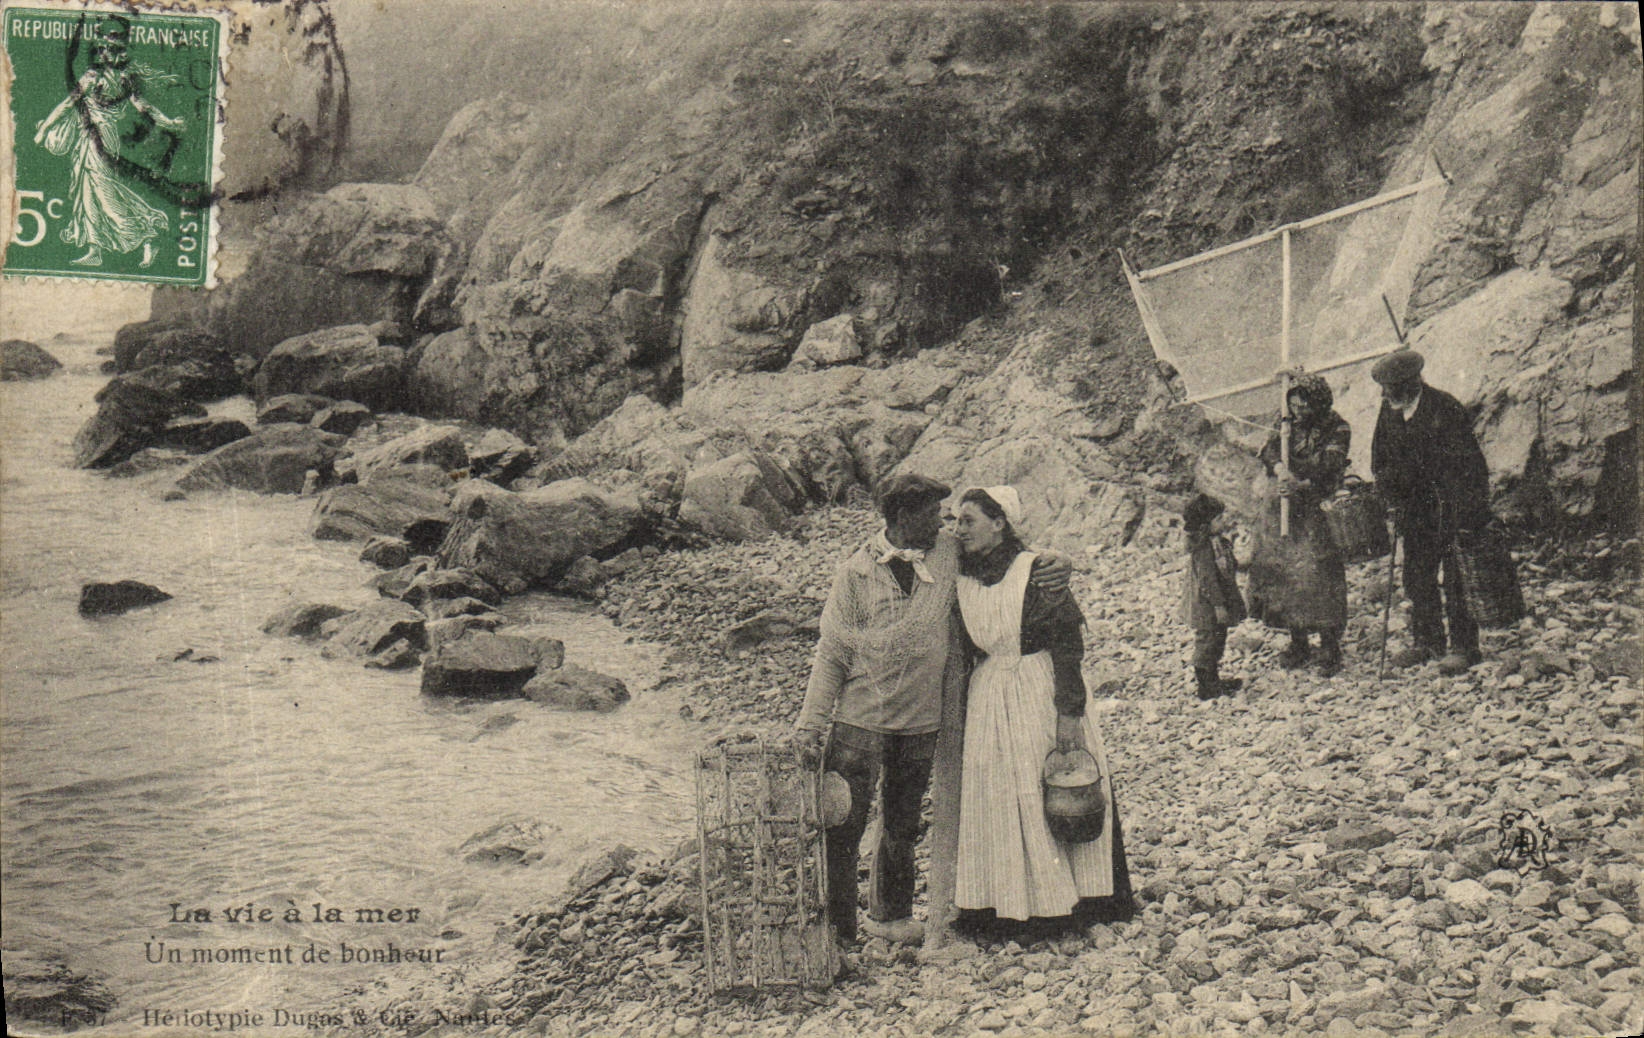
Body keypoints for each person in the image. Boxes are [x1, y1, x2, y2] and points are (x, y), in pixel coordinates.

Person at [792, 474, 1070, 948]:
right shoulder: (855, 574)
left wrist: (1058, 563)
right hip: (857, 723)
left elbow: (1006, 556)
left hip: (921, 724)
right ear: (901, 518)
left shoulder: (946, 553)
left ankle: (890, 916)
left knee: (902, 825)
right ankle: (838, 932)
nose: (944, 522)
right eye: (931, 513)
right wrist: (811, 723)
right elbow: (832, 652)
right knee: (843, 828)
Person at [949, 486, 1131, 925]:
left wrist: (1069, 713)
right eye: (955, 521)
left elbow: (1068, 642)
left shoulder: (1036, 572)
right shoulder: (962, 574)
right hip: (990, 693)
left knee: (1050, 786)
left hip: (1037, 687)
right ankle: (1008, 905)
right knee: (998, 795)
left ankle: (1074, 902)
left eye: (969, 520)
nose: (959, 530)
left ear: (1000, 523)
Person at [1370, 349, 1492, 675]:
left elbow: (1470, 466)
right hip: (1415, 512)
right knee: (1417, 577)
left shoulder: (1445, 408)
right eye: (1383, 388)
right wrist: (1389, 497)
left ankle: (1465, 647)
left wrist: (1470, 513)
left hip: (1451, 507)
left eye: (1391, 387)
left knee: (1456, 578)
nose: (1384, 394)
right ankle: (1428, 642)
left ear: (1412, 383)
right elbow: (1379, 459)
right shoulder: (1389, 411)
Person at [33, 17, 181, 269]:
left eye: (108, 50)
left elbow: (68, 104)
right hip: (102, 137)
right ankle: (95, 249)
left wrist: (44, 129)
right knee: (88, 191)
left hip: (96, 138)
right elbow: (143, 107)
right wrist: (166, 121)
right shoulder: (126, 79)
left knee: (103, 191)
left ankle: (147, 235)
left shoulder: (95, 77)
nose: (104, 54)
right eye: (103, 49)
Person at [1247, 373, 1351, 677]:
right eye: (1294, 406)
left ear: (1317, 403)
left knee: (1320, 575)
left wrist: (1298, 480)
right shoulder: (1286, 425)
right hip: (1285, 508)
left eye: (1304, 407)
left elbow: (1330, 463)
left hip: (1316, 508)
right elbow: (1268, 450)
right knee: (1286, 573)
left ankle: (1330, 643)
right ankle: (1298, 639)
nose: (1298, 412)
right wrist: (1280, 469)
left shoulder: (1337, 427)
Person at [1179, 493, 1246, 699]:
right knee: (1207, 642)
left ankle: (1213, 680)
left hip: (1215, 601)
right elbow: (1207, 580)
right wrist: (1219, 606)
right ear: (1205, 525)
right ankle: (1206, 687)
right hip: (1207, 604)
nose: (1223, 521)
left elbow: (1230, 564)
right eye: (1218, 518)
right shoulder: (1203, 548)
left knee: (1217, 640)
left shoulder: (1217, 542)